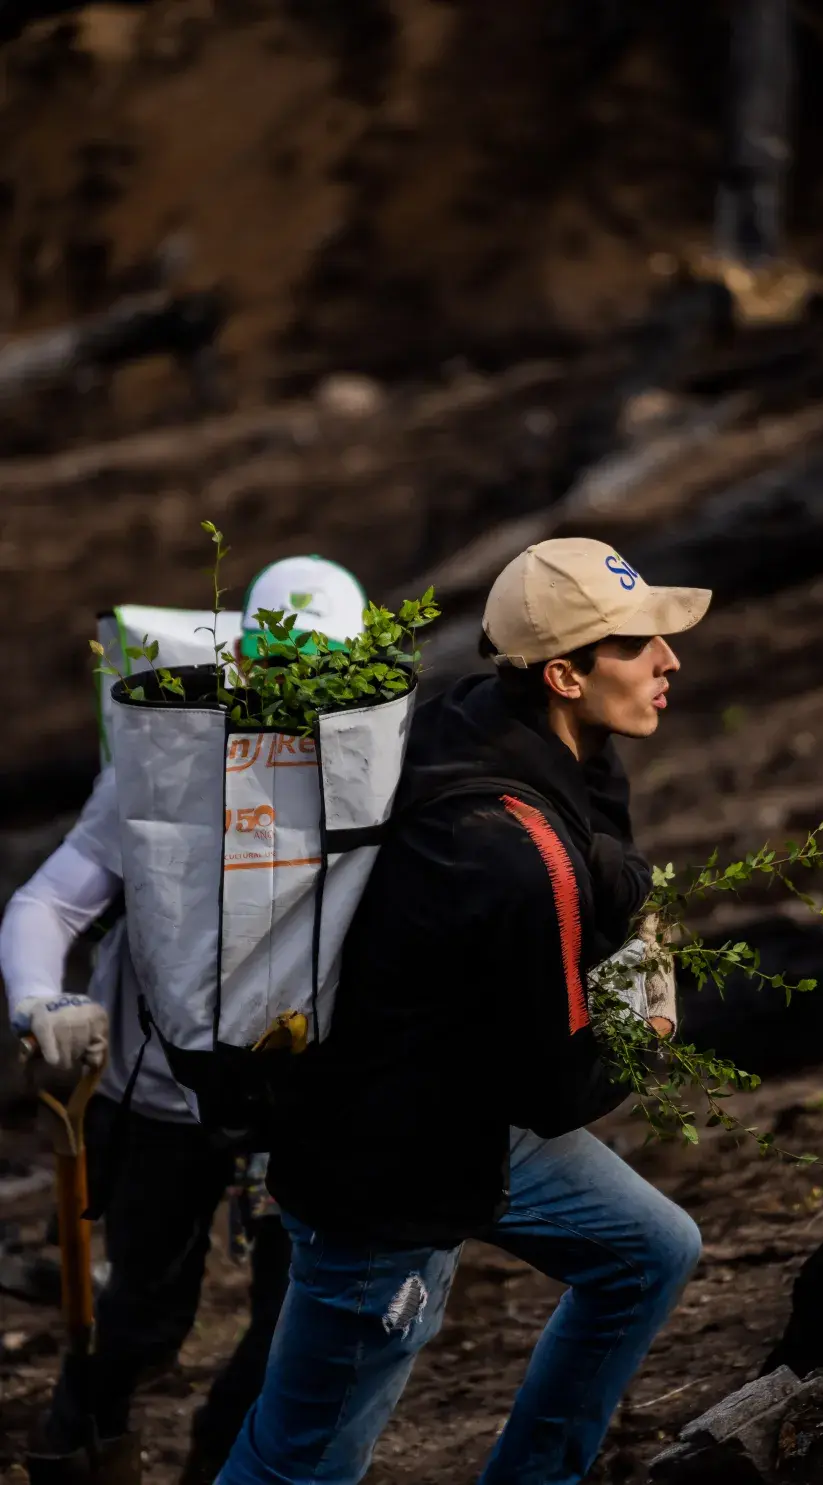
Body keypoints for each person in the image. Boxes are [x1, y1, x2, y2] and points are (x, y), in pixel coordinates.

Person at [219, 537, 711, 1485]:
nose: (670, 658)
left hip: (465, 1113)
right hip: (385, 1179)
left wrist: (629, 898)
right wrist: (646, 1021)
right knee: (300, 1463)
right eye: (638, 641)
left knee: (651, 1252)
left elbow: (598, 850)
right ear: (564, 674)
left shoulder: (485, 718)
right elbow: (559, 1089)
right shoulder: (511, 855)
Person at [0, 554, 367, 1485]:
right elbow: (51, 902)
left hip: (299, 1100)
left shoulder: (378, 771)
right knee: (144, 1318)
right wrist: (42, 1000)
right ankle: (79, 1437)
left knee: (292, 1319)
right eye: (282, 671)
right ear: (243, 662)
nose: (301, 697)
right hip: (158, 1093)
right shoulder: (163, 770)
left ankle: (220, 1458)